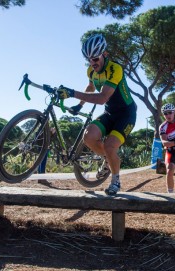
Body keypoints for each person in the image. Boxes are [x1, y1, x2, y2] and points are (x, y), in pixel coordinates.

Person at [57, 34, 137, 195]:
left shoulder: (115, 69)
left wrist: (72, 93)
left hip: (126, 114)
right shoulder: (91, 71)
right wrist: (79, 106)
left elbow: (102, 98)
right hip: (110, 112)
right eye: (89, 59)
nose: (92, 63)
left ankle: (115, 180)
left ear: (104, 54)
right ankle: (109, 159)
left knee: (109, 145)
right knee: (88, 136)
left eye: (95, 59)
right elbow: (91, 88)